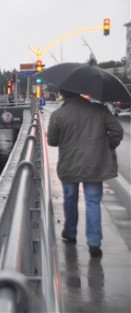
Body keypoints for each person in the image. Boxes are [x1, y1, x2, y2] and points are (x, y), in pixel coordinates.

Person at [47, 89, 123, 258]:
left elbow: (52, 141)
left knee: (70, 198)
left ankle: (70, 232)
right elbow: (117, 131)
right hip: (95, 164)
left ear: (63, 94)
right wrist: (108, 145)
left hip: (69, 165)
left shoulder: (58, 115)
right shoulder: (99, 110)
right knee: (93, 201)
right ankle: (94, 243)